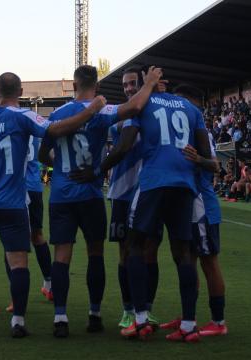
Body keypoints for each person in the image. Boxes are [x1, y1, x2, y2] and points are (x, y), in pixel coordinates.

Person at [0, 72, 108, 337]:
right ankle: (17, 320)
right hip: (13, 203)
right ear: (19, 92)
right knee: (18, 262)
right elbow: (56, 129)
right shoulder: (23, 116)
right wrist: (94, 108)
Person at [38, 64, 163, 338]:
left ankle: (60, 317)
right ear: (96, 86)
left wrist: (58, 166)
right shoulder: (104, 110)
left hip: (61, 194)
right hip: (90, 193)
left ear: (73, 86)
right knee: (95, 254)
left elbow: (41, 154)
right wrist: (150, 83)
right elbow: (134, 106)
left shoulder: (56, 115)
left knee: (62, 256)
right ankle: (95, 315)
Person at [118, 82, 212, 342]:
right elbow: (208, 158)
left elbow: (125, 145)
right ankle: (189, 325)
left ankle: (140, 321)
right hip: (184, 185)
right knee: (184, 253)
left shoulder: (143, 101)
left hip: (153, 181)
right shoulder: (190, 108)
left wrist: (99, 168)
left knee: (134, 246)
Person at [160, 84, 227, 338]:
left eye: (180, 101)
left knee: (209, 262)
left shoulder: (202, 133)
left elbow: (214, 166)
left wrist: (198, 160)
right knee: (187, 262)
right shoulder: (185, 130)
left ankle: (218, 321)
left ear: (191, 103)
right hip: (187, 205)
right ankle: (189, 316)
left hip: (202, 206)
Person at [5, 135, 53, 313]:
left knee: (11, 243)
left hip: (16, 189)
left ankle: (15, 298)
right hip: (34, 187)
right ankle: (50, 284)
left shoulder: (14, 126)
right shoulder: (32, 129)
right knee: (37, 235)